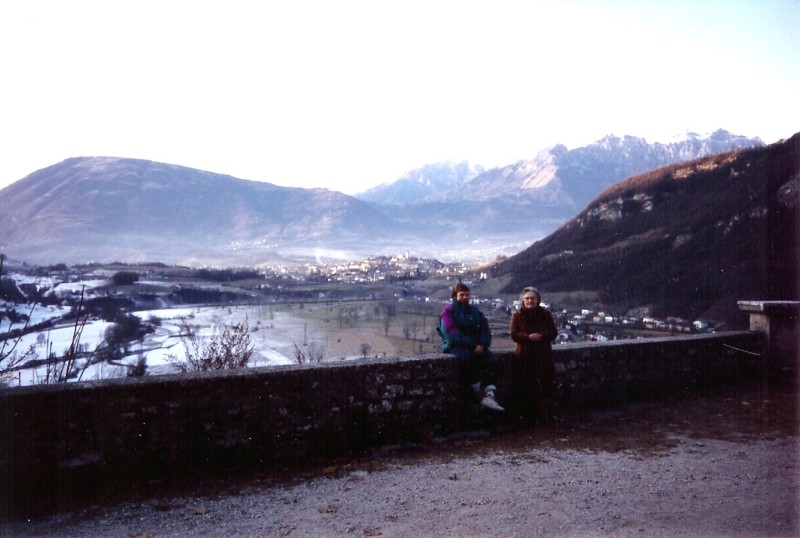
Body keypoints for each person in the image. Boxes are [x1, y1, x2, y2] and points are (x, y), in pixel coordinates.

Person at [440, 282, 504, 412]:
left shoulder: (475, 311)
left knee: (491, 360)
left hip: (476, 345)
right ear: (455, 296)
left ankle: (490, 393)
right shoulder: (448, 311)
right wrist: (473, 345)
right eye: (461, 295)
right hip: (457, 345)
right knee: (468, 360)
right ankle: (478, 393)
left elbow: (485, 329)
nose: (464, 297)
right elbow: (452, 333)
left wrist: (482, 344)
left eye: (467, 295)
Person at [509, 286, 558, 423]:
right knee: (526, 387)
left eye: (532, 298)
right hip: (525, 357)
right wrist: (528, 337)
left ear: (538, 300)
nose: (530, 301)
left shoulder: (546, 315)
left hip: (543, 356)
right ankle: (527, 418)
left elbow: (553, 333)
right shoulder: (517, 316)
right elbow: (513, 334)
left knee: (544, 386)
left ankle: (543, 417)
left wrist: (541, 336)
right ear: (523, 300)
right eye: (527, 298)